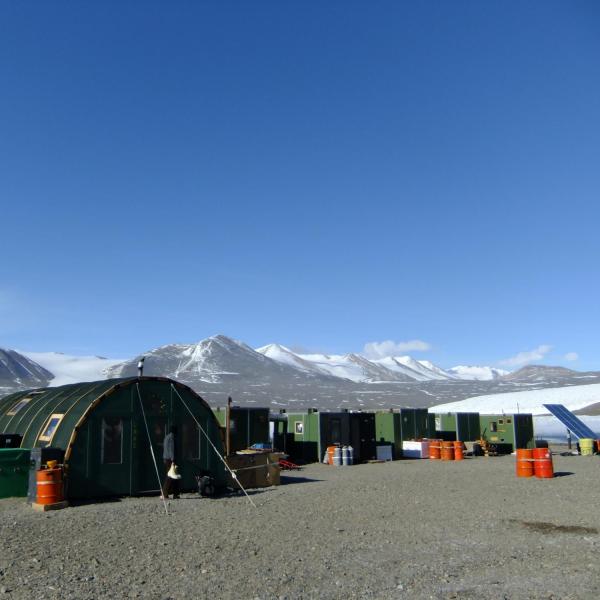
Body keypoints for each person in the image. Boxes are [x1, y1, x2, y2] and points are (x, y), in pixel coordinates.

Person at [162, 425, 180, 499]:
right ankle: (165, 493)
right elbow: (171, 449)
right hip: (170, 460)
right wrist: (173, 460)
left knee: (173, 477)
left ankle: (174, 494)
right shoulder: (172, 437)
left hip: (166, 459)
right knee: (171, 477)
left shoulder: (166, 437)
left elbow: (165, 447)